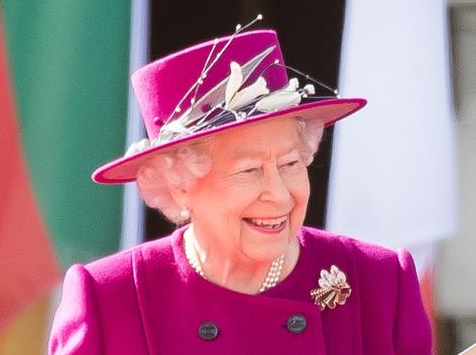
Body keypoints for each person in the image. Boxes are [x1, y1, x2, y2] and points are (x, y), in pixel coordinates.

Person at [49, 22, 432, 354]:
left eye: (290, 164)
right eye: (249, 170)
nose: (280, 195)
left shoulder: (380, 283)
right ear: (179, 184)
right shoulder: (110, 300)